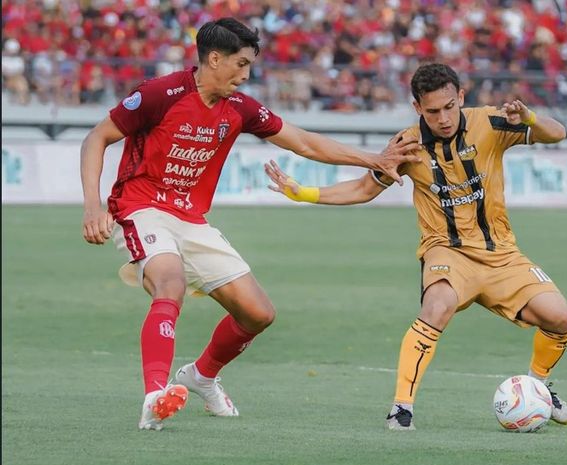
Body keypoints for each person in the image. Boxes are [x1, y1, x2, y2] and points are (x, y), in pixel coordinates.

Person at [80, 17, 419, 431]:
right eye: (240, 64)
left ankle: (201, 376)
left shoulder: (239, 108)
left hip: (190, 217)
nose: (245, 74)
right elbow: (96, 138)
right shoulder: (160, 94)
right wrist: (93, 207)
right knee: (170, 284)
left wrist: (374, 159)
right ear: (214, 58)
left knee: (258, 314)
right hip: (140, 206)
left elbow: (305, 141)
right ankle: (154, 396)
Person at [265, 63, 567, 431]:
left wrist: (531, 118)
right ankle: (401, 408)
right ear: (417, 108)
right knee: (436, 307)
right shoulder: (407, 144)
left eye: (449, 106)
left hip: (501, 253)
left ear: (461, 97)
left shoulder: (492, 122)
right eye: (432, 111)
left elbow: (557, 133)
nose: (443, 118)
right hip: (446, 251)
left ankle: (537, 386)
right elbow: (363, 189)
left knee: (559, 317)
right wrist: (305, 194)